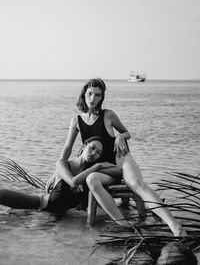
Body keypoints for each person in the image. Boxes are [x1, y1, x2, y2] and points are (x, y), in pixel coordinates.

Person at [57, 78, 187, 236]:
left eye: (97, 95)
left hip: (120, 159)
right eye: (90, 94)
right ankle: (126, 227)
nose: (93, 98)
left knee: (136, 184)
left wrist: (119, 137)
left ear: (102, 98)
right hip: (103, 168)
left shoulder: (108, 115)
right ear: (84, 94)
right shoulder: (76, 121)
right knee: (91, 179)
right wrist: (57, 173)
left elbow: (127, 133)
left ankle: (174, 225)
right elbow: (67, 148)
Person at [0, 136, 116, 214]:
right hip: (39, 204)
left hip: (54, 213)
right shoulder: (63, 164)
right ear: (84, 146)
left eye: (98, 153)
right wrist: (98, 166)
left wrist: (101, 166)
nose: (94, 153)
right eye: (92, 148)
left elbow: (119, 172)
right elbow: (73, 182)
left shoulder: (91, 176)